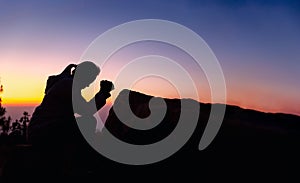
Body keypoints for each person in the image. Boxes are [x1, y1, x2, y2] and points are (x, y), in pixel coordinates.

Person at [27, 61, 114, 175]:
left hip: (39, 130)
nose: (88, 85)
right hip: (41, 132)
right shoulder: (69, 85)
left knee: (83, 123)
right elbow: (86, 110)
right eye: (89, 81)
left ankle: (79, 161)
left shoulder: (65, 83)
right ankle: (81, 164)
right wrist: (102, 93)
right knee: (87, 122)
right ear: (84, 75)